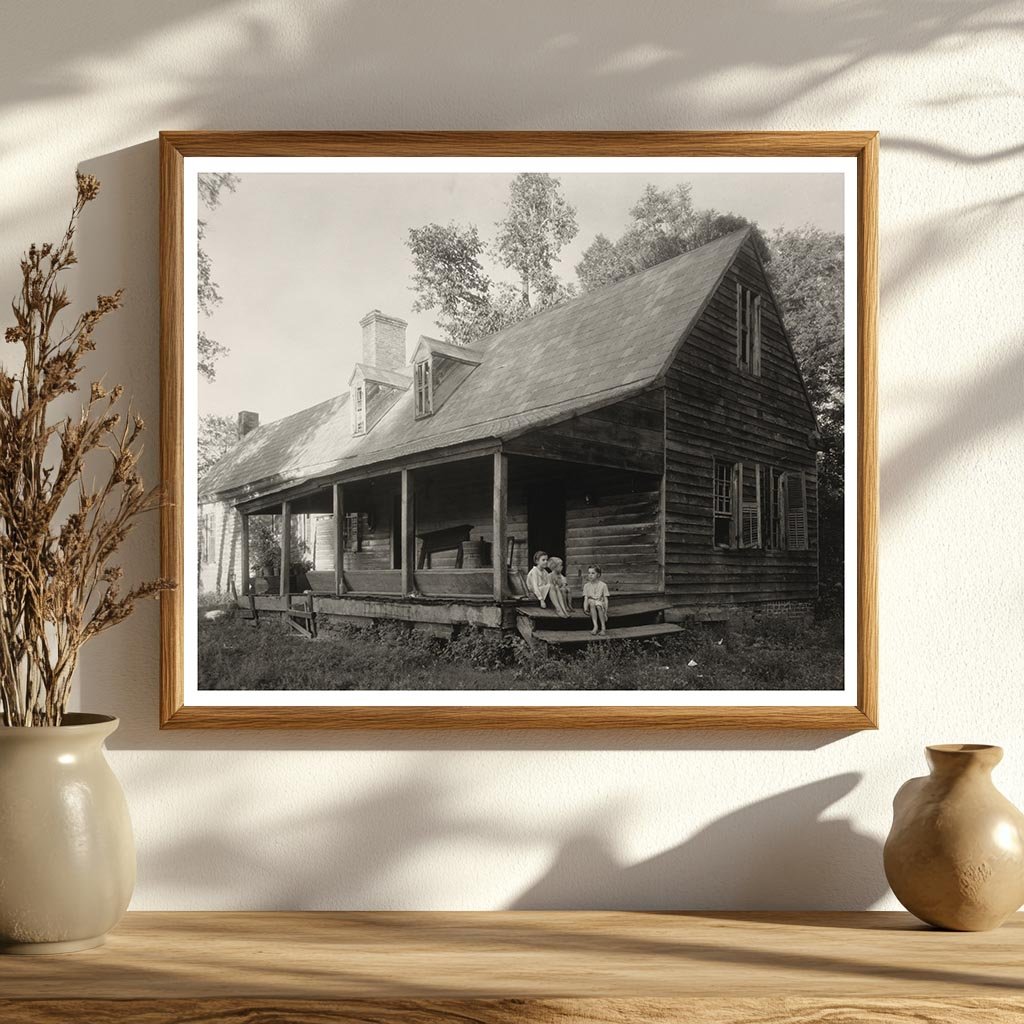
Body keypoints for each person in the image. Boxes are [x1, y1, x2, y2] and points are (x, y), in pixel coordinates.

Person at [582, 564, 610, 635]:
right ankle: (595, 626)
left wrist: (606, 612)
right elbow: (585, 598)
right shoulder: (586, 586)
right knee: (592, 602)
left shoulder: (603, 585)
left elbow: (606, 599)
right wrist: (585, 608)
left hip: (600, 603)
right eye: (589, 573)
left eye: (593, 573)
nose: (590, 575)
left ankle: (603, 628)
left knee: (598, 605)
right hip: (591, 602)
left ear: (598, 575)